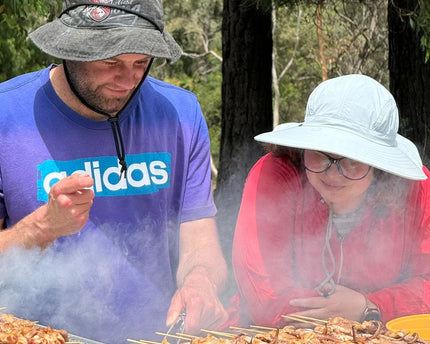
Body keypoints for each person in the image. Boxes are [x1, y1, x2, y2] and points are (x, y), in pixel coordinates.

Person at [0, 0, 227, 343]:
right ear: (70, 48)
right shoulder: (7, 114)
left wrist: (201, 281)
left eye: (141, 61)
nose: (128, 79)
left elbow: (200, 241)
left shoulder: (180, 114)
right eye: (110, 61)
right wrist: (41, 228)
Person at [230, 74, 430, 328]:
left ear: (380, 166)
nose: (333, 172)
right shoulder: (275, 174)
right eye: (321, 154)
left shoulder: (417, 187)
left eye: (353, 159)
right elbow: (264, 295)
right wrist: (343, 314)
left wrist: (368, 306)